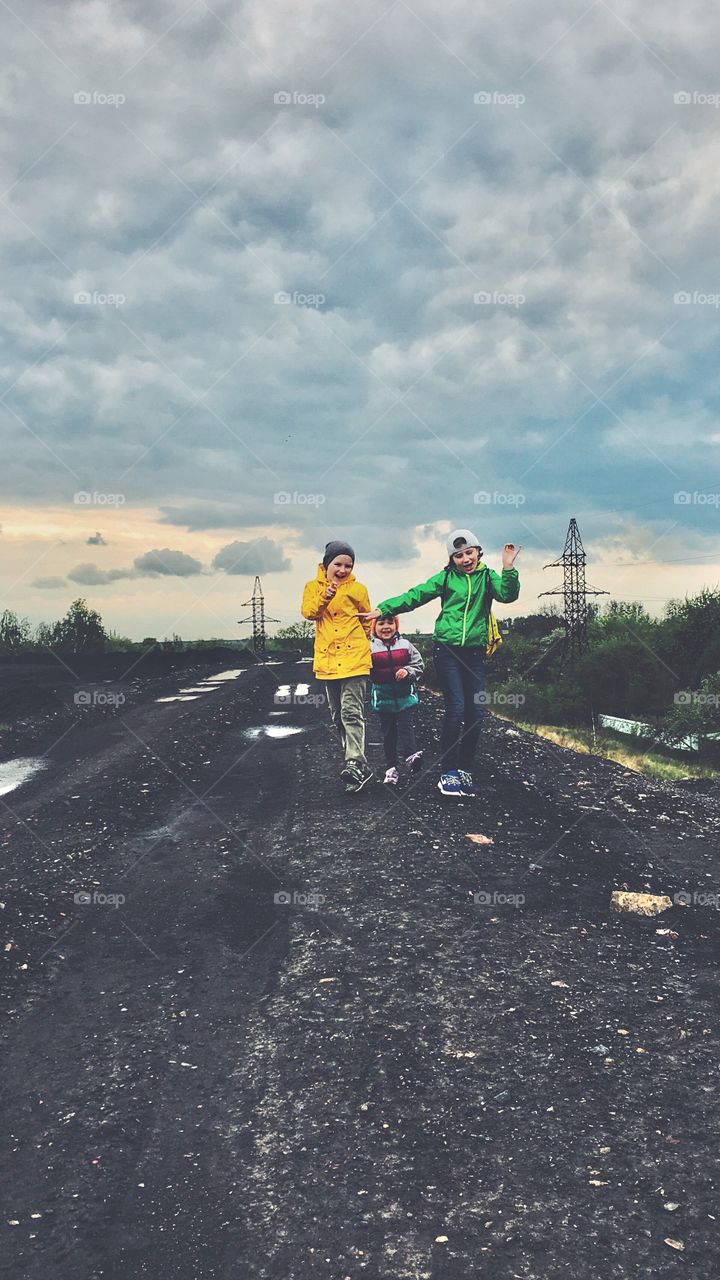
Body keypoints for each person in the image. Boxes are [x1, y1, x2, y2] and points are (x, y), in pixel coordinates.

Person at [361, 529, 521, 797]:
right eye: (458, 555)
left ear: (478, 552)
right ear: (452, 559)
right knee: (456, 708)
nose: (465, 559)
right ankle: (448, 772)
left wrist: (508, 567)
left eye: (469, 552)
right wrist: (385, 609)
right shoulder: (446, 578)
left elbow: (508, 595)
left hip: (474, 652)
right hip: (446, 650)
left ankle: (465, 770)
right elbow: (417, 595)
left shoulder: (487, 577)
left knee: (476, 713)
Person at [301, 540, 374, 794]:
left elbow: (367, 620)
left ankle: (354, 761)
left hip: (355, 660)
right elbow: (309, 612)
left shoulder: (359, 589)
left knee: (351, 712)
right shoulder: (312, 588)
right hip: (328, 660)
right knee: (337, 715)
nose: (343, 570)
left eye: (348, 565)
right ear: (326, 565)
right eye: (338, 564)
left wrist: (363, 641)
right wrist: (325, 595)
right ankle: (357, 766)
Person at [370, 614, 425, 786]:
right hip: (383, 698)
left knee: (406, 727)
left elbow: (419, 665)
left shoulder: (406, 645)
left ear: (396, 625)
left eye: (390, 622)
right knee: (388, 734)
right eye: (381, 623)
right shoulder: (367, 648)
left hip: (404, 697)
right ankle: (391, 769)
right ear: (374, 627)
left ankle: (411, 757)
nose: (386, 626)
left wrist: (408, 671)